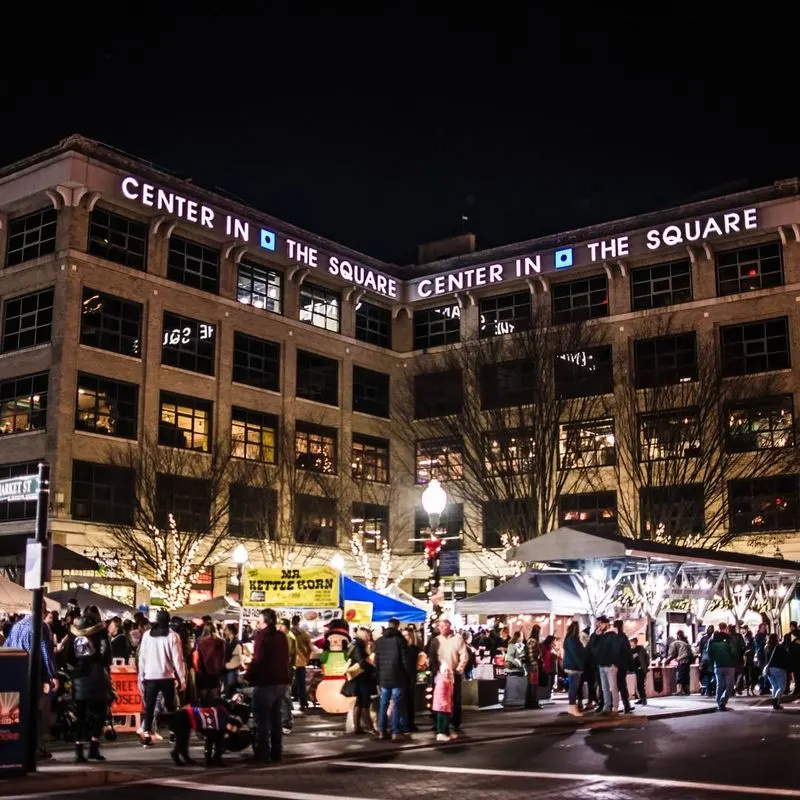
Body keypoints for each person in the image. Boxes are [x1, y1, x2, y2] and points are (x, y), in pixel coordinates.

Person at [4, 601, 58, 760]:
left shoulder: (16, 626)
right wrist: (52, 675)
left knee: (14, 712)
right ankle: (35, 748)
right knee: (34, 711)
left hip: (14, 673)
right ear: (43, 609)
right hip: (33, 675)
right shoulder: (41, 626)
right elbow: (46, 653)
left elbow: (7, 647)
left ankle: (15, 746)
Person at [245, 608, 290, 763]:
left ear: (264, 621)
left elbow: (258, 659)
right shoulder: (281, 636)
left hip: (266, 682)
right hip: (281, 681)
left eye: (259, 620)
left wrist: (247, 676)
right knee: (276, 719)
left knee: (262, 721)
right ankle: (276, 752)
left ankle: (263, 753)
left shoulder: (261, 636)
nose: (257, 623)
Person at [67, 609, 112, 762]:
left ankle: (79, 750)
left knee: (79, 714)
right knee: (101, 711)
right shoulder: (100, 633)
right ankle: (93, 746)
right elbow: (106, 655)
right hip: (96, 674)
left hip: (79, 675)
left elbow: (69, 656)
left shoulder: (74, 634)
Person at [137, 609, 186, 746]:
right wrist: (182, 679)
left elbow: (142, 657)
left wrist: (141, 675)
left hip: (150, 676)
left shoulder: (147, 635)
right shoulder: (173, 636)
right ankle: (173, 733)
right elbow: (178, 659)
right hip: (166, 676)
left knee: (150, 706)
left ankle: (147, 734)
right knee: (171, 706)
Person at [429, 619, 469, 736]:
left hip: (454, 673)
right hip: (440, 674)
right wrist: (435, 670)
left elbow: (464, 655)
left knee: (455, 699)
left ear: (449, 626)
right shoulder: (436, 640)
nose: (442, 628)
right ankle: (438, 723)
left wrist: (459, 669)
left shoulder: (457, 639)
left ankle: (455, 722)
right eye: (440, 626)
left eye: (445, 626)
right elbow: (432, 656)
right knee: (439, 699)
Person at [373, 618, 409, 741]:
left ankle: (382, 730)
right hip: (397, 676)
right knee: (397, 704)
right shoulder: (400, 641)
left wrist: (378, 677)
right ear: (397, 626)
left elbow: (376, 662)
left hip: (383, 677)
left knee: (384, 704)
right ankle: (395, 731)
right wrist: (408, 676)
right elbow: (405, 661)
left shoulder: (379, 642)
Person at [346, 626, 377, 735]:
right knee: (364, 702)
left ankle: (357, 726)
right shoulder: (358, 647)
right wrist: (373, 668)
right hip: (362, 678)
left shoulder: (355, 645)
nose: (369, 637)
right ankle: (369, 727)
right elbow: (362, 663)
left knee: (359, 702)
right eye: (367, 635)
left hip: (358, 678)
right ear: (363, 635)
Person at [590, 616, 621, 715]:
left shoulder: (612, 635)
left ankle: (615, 707)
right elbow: (592, 646)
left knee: (613, 687)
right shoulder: (600, 636)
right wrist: (595, 635)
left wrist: (612, 662)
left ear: (606, 623)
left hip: (610, 665)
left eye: (600, 623)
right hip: (601, 664)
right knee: (604, 688)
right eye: (597, 624)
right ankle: (606, 706)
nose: (598, 626)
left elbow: (615, 650)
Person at [193, 622, 226, 705]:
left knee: (203, 698)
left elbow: (197, 657)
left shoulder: (199, 641)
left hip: (203, 671)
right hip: (216, 672)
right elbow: (224, 656)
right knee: (215, 698)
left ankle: (203, 714)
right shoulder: (221, 641)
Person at [707, 622, 737, 711]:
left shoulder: (711, 639)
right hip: (729, 665)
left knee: (720, 685)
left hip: (718, 665)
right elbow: (734, 651)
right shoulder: (729, 638)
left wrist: (713, 663)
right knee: (730, 685)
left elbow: (709, 653)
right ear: (726, 628)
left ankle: (719, 703)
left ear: (719, 628)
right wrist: (735, 660)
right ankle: (722, 701)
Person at [277, 618, 297, 735]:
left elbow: (286, 655)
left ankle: (286, 721)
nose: (279, 628)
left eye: (281, 625)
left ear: (286, 626)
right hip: (286, 669)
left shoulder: (288, 637)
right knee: (284, 694)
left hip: (286, 670)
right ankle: (286, 719)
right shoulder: (287, 636)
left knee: (285, 695)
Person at [563, 621, 585, 717]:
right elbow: (575, 654)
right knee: (573, 687)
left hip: (571, 665)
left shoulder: (569, 640)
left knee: (573, 687)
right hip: (574, 666)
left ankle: (572, 706)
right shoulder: (572, 640)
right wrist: (581, 665)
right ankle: (572, 706)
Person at [291, 615, 313, 711]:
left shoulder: (288, 633)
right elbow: (310, 647)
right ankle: (303, 702)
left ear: (292, 622)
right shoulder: (304, 633)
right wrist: (307, 657)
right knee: (301, 683)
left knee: (287, 683)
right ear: (299, 622)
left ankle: (290, 702)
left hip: (290, 661)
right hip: (301, 661)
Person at [764, 632, 791, 710]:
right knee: (782, 687)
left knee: (775, 686)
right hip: (779, 669)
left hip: (769, 670)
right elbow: (786, 658)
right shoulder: (779, 647)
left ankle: (776, 704)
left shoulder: (767, 647)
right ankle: (775, 701)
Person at [613, 620, 634, 713]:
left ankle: (618, 706)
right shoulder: (623, 638)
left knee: (617, 686)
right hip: (622, 665)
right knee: (621, 685)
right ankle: (626, 706)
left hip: (617, 665)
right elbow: (628, 652)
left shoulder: (615, 638)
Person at [403, 627, 421, 731]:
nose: (405, 637)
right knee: (404, 702)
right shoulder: (403, 648)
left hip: (411, 677)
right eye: (404, 635)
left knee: (410, 701)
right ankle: (406, 724)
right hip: (403, 678)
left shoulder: (414, 649)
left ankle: (410, 723)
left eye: (407, 635)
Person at [664, 630, 693, 696]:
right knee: (686, 676)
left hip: (683, 660)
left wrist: (666, 661)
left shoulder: (673, 644)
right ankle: (687, 690)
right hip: (688, 660)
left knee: (680, 676)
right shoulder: (682, 642)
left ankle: (679, 690)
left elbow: (671, 655)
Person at [525, 625, 543, 709]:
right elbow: (531, 654)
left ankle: (529, 703)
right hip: (533, 665)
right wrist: (534, 664)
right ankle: (533, 702)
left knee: (531, 684)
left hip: (531, 665)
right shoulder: (533, 641)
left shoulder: (531, 640)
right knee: (533, 685)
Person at [223, 623, 243, 695]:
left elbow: (238, 659)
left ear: (231, 631)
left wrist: (226, 665)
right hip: (226, 669)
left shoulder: (237, 643)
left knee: (230, 690)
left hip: (231, 670)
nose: (224, 631)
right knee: (226, 690)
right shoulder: (226, 641)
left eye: (226, 629)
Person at [631, 638, 649, 705]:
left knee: (640, 685)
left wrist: (644, 667)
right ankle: (641, 699)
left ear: (634, 642)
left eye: (631, 642)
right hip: (636, 670)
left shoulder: (641, 650)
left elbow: (647, 659)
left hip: (641, 670)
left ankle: (643, 699)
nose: (631, 643)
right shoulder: (632, 650)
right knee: (639, 685)